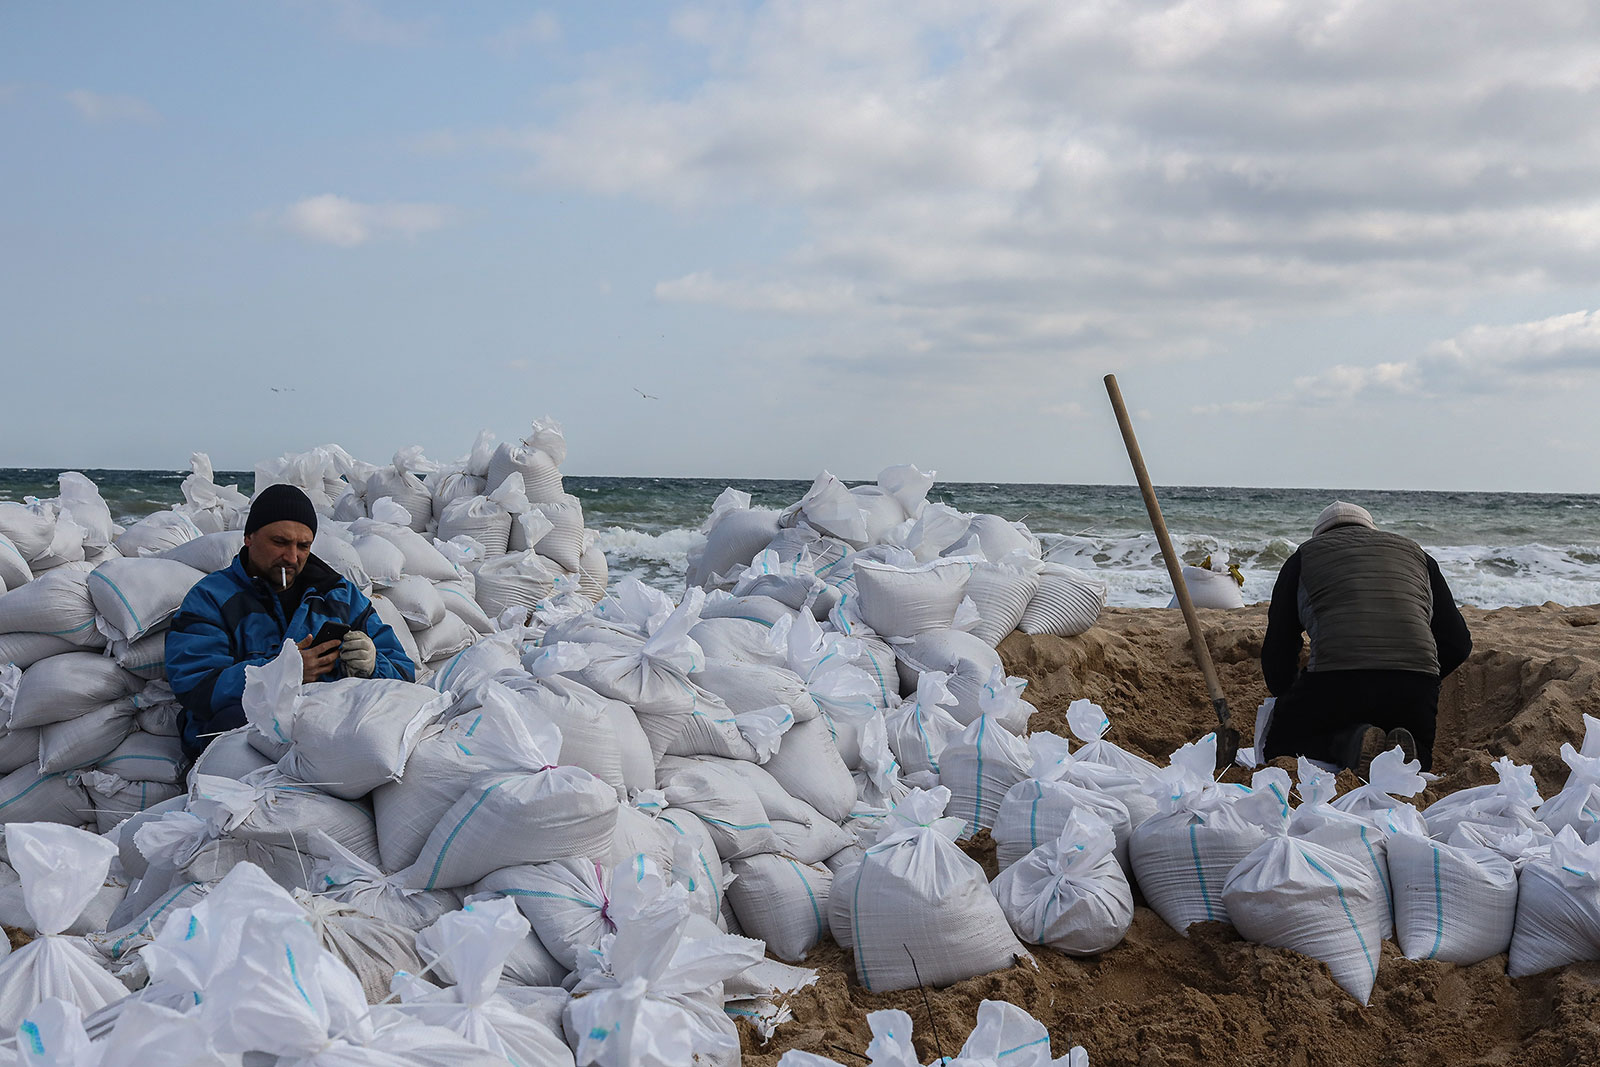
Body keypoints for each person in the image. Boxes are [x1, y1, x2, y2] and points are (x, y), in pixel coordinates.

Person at [166, 483, 415, 758]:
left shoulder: (339, 596)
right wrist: (278, 674)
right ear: (249, 538)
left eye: (303, 546)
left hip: (326, 730)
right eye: (280, 542)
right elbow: (195, 687)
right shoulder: (212, 598)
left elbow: (403, 673)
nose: (292, 557)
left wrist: (372, 665)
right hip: (242, 735)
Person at [1260, 500, 1471, 774]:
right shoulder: (1419, 556)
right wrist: (1420, 677)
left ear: (1320, 536)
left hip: (1336, 681)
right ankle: (1410, 754)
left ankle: (1349, 742)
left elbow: (1279, 649)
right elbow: (1458, 643)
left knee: (1280, 745)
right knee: (1418, 744)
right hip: (1415, 685)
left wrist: (1290, 695)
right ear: (1372, 530)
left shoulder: (1304, 557)